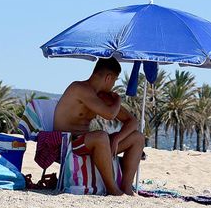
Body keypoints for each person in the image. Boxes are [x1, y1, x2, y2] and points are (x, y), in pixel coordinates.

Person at [53, 57, 144, 196]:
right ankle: (112, 189)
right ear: (109, 78)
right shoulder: (79, 88)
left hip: (90, 144)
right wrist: (118, 99)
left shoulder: (102, 96)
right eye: (114, 80)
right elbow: (109, 114)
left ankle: (126, 188)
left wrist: (118, 138)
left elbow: (132, 121)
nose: (113, 85)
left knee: (138, 137)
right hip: (69, 143)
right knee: (101, 136)